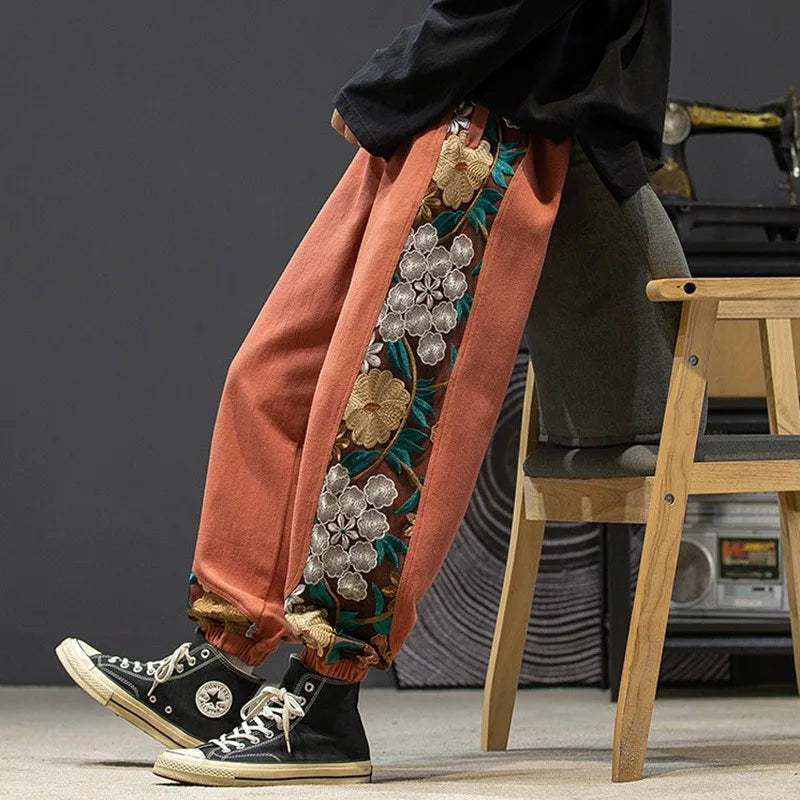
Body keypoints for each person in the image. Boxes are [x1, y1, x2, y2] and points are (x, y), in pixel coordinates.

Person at [57, 0, 684, 787]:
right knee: (274, 375)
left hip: (499, 124)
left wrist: (394, 77)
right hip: (438, 110)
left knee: (381, 415)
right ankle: (218, 672)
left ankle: (325, 704)